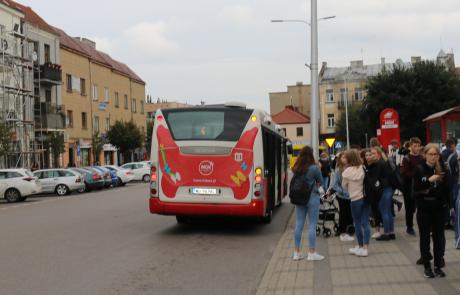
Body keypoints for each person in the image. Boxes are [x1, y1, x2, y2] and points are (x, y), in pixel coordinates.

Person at [413, 144, 449, 278]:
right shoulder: (420, 168)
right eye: (430, 154)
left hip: (439, 208)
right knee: (425, 237)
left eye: (435, 154)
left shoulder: (443, 168)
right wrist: (429, 181)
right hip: (424, 207)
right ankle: (427, 266)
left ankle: (438, 265)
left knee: (439, 238)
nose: (433, 157)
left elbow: (447, 188)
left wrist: (448, 205)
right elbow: (416, 187)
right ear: (425, 155)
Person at [292, 146, 325, 261]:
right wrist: (318, 167)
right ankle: (311, 252)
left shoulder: (296, 167)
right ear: (311, 155)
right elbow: (321, 182)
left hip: (299, 198)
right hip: (312, 198)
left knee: (299, 224)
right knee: (312, 225)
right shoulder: (314, 168)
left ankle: (296, 253)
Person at [342, 149, 370, 257]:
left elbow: (344, 186)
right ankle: (365, 247)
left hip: (355, 199)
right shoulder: (363, 168)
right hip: (365, 198)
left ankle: (360, 246)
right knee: (365, 223)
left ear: (349, 159)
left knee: (357, 223)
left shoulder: (347, 172)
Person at [369, 147, 396, 241]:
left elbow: (376, 180)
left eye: (374, 154)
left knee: (384, 211)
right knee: (388, 211)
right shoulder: (383, 163)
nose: (371, 155)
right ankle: (391, 232)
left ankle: (386, 233)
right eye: (371, 153)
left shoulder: (379, 164)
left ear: (379, 155)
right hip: (389, 188)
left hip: (385, 189)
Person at [400, 137, 424, 236]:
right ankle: (409, 226)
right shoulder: (406, 158)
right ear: (410, 147)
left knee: (421, 207)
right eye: (415, 146)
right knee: (410, 208)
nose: (417, 148)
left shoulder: (422, 157)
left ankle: (423, 225)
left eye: (418, 146)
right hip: (409, 188)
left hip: (421, 187)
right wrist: (417, 174)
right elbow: (404, 173)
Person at [331, 152, 354, 242]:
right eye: (343, 157)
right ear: (340, 159)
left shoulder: (352, 169)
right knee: (343, 213)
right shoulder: (338, 170)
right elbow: (335, 185)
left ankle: (350, 229)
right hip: (342, 196)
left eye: (346, 157)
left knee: (350, 213)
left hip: (352, 195)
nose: (344, 159)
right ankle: (342, 231)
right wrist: (343, 192)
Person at [364, 149, 383, 239]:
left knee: (375, 210)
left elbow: (377, 179)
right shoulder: (365, 166)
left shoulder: (377, 165)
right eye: (366, 155)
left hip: (375, 192)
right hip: (367, 192)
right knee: (371, 211)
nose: (368, 157)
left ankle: (378, 230)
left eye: (370, 155)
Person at [441, 138, 459, 229]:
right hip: (453, 181)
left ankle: (445, 221)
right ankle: (453, 221)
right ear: (452, 146)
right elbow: (456, 171)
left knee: (446, 202)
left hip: (444, 182)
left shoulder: (441, 155)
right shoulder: (455, 156)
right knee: (453, 202)